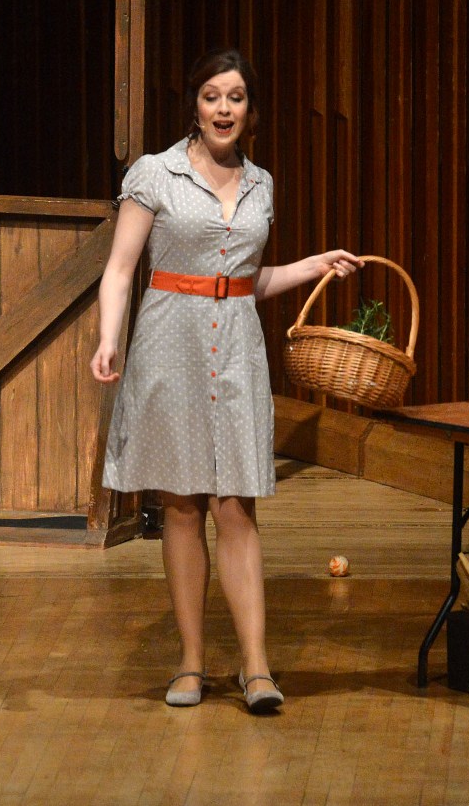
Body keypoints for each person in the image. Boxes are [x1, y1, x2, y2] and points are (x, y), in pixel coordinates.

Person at [90, 48, 360, 713]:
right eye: (212, 95)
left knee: (237, 504)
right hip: (167, 341)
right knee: (182, 504)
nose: (223, 108)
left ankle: (257, 667)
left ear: (251, 110)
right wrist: (107, 336)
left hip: (237, 345)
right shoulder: (156, 173)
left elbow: (246, 277)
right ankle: (189, 663)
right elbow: (122, 268)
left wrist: (311, 264)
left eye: (235, 97)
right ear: (194, 104)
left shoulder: (262, 183)